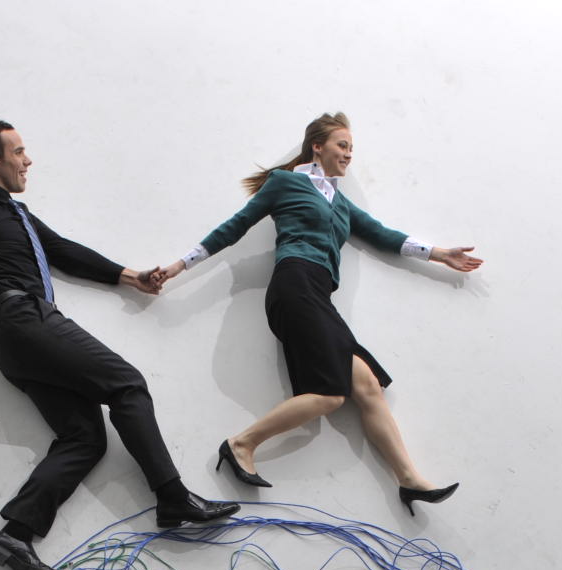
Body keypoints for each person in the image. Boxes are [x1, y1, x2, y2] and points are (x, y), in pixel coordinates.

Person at [0, 121, 238, 570]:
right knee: (128, 384)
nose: (28, 160)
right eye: (19, 151)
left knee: (84, 438)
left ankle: (15, 535)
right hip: (23, 320)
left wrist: (129, 276)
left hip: (17, 338)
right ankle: (172, 496)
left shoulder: (16, 214)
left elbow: (60, 251)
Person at [153, 113, 482, 515]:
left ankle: (409, 480)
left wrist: (439, 254)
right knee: (329, 395)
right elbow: (233, 228)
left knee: (366, 385)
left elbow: (383, 234)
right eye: (342, 145)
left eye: (352, 149)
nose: (349, 154)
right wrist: (179, 266)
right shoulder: (285, 183)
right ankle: (241, 444)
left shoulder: (341, 204)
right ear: (317, 146)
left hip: (319, 295)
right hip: (294, 284)